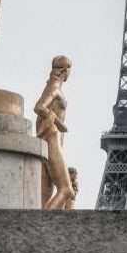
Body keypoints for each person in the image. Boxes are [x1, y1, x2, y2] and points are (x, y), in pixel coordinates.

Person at [34, 56, 73, 210]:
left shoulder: (54, 87)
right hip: (52, 137)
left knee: (45, 194)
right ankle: (44, 224)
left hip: (50, 138)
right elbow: (39, 107)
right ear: (65, 70)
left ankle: (40, 227)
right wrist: (60, 124)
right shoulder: (55, 87)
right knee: (66, 189)